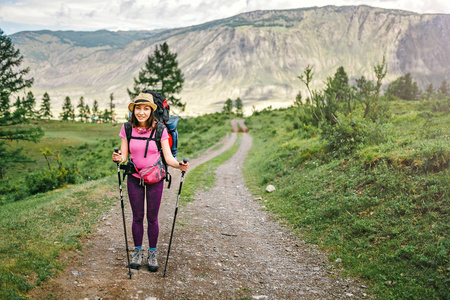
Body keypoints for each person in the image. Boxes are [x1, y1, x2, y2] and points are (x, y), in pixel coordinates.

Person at [112, 92, 189, 272]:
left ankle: (152, 253)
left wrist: (179, 166)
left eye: (146, 108)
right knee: (137, 217)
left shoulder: (160, 129)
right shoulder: (127, 128)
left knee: (152, 218)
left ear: (151, 111)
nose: (141, 112)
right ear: (133, 110)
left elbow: (168, 157)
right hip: (134, 178)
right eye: (138, 108)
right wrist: (118, 157)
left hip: (156, 178)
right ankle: (137, 251)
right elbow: (124, 156)